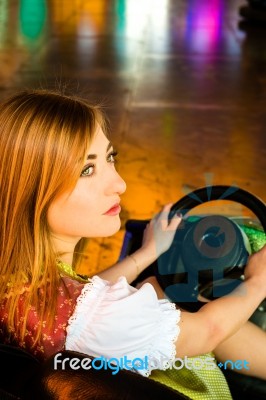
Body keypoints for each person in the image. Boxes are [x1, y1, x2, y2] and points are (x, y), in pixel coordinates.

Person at [0, 89, 265, 400]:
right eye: (87, 170)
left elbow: (85, 300)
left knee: (159, 285)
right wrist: (259, 281)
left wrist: (147, 254)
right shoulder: (103, 317)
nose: (119, 183)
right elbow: (208, 332)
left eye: (110, 158)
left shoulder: (19, 279)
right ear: (33, 194)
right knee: (189, 301)